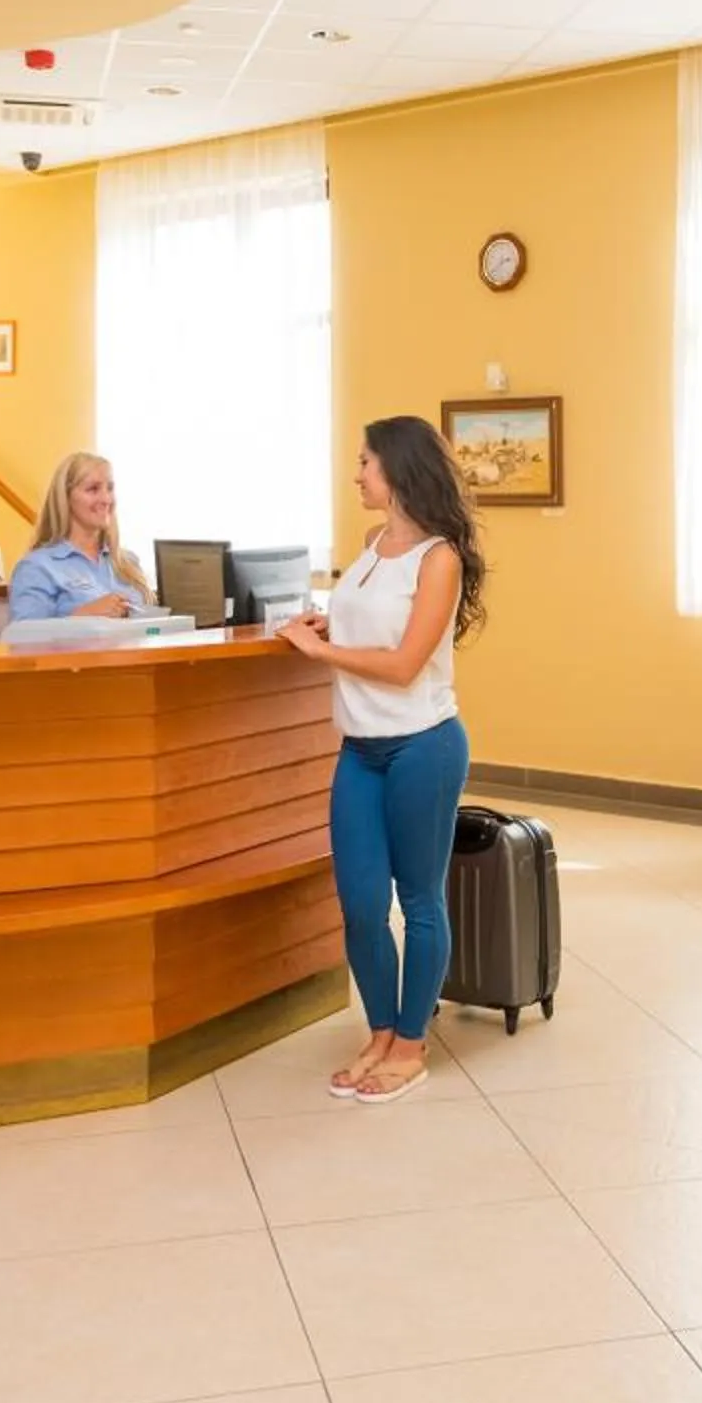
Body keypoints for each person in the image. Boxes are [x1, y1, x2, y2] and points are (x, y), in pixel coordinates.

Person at [281, 415, 487, 1104]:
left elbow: (403, 665)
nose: (356, 473)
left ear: (395, 469)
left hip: (423, 745)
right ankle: (379, 1031)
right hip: (360, 751)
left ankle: (410, 1043)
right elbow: (370, 628)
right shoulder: (371, 547)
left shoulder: (440, 558)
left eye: (364, 461)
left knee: (419, 900)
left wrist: (320, 652)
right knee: (363, 905)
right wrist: (327, 626)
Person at [6, 451, 150, 622]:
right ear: (65, 498)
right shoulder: (37, 568)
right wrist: (82, 616)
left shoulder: (129, 564)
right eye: (93, 489)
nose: (106, 499)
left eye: (110, 488)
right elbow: (23, 639)